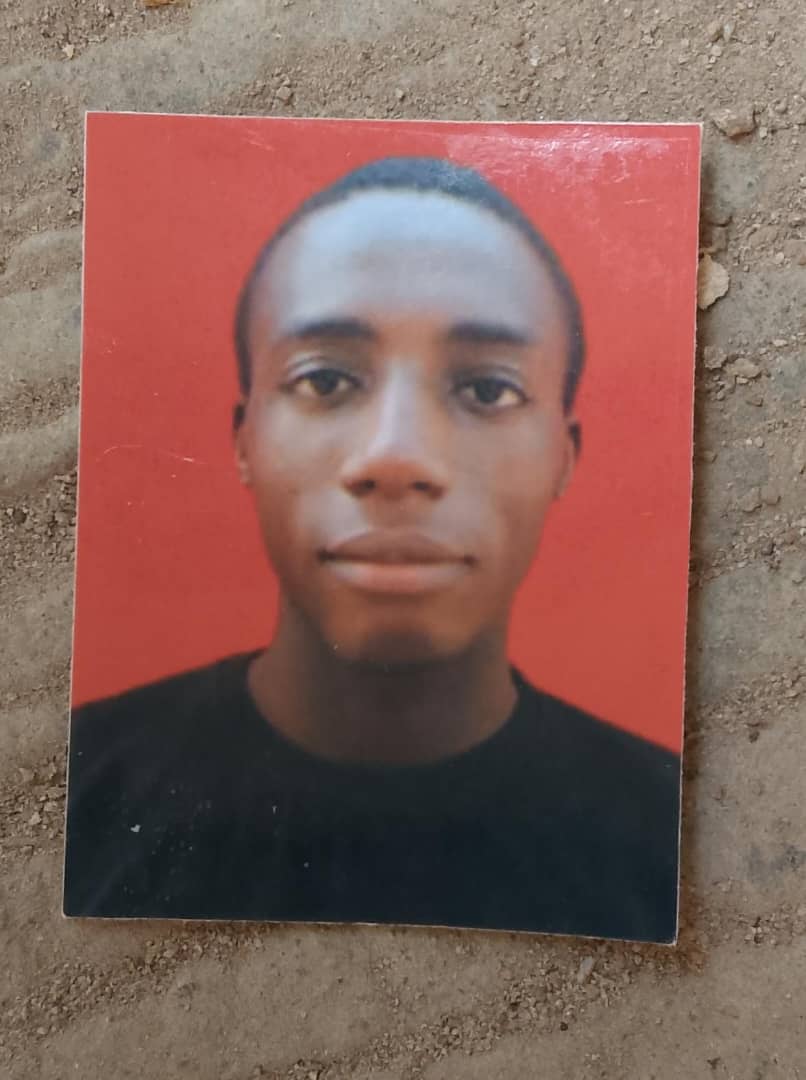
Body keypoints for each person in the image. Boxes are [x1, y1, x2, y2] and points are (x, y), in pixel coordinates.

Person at [64, 156, 680, 941]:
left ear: (565, 456)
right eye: (324, 381)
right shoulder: (82, 794)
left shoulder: (664, 835)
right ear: (245, 441)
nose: (396, 457)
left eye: (488, 389)